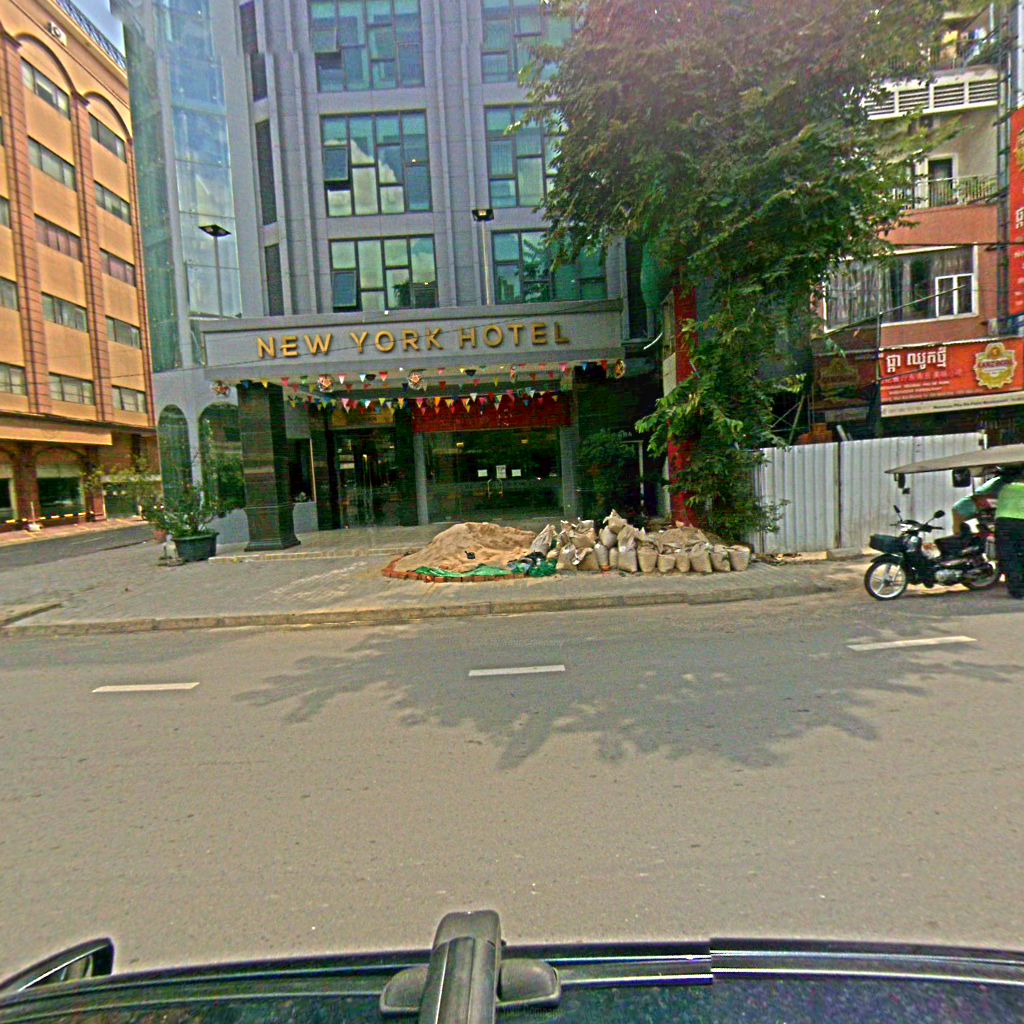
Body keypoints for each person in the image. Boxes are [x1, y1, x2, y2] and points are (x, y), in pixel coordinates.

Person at [994, 466, 1024, 600]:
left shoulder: (1004, 489)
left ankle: (1016, 590)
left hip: (1003, 523)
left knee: (1008, 556)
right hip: (1021, 522)